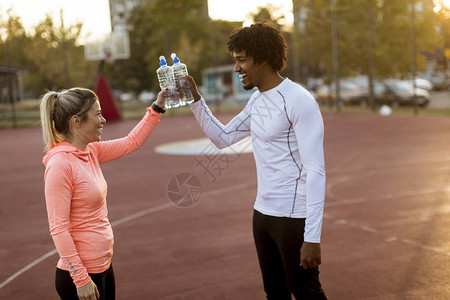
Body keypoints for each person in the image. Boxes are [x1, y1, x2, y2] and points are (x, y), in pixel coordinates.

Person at [186, 21, 327, 299]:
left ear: (262, 58)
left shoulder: (298, 100)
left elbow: (316, 170)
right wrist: (195, 99)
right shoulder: (258, 101)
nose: (236, 69)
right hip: (262, 214)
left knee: (306, 292)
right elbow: (223, 138)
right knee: (274, 292)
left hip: (292, 216)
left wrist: (312, 237)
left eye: (241, 61)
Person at [40, 87, 167, 300]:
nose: (103, 120)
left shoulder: (90, 151)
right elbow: (58, 228)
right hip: (81, 277)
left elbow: (131, 142)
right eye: (97, 114)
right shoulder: (60, 164)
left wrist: (157, 107)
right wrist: (81, 279)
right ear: (76, 121)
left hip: (103, 266)